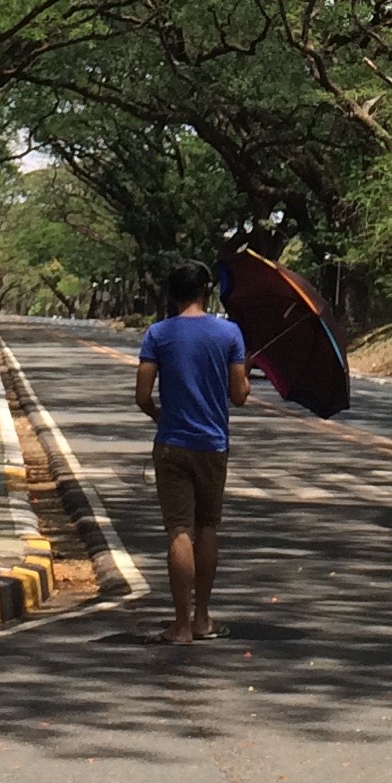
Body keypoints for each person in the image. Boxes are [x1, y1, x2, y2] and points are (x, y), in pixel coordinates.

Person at [135, 262, 250, 645]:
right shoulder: (230, 334)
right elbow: (239, 395)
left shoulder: (158, 334)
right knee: (207, 528)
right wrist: (245, 377)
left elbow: (142, 396)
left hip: (172, 444)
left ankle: (180, 624)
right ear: (206, 291)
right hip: (213, 446)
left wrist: (162, 418)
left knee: (179, 530)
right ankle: (202, 620)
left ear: (171, 294)